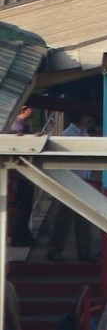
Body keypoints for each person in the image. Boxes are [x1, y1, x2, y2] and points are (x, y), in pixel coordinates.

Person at [47, 114, 96, 262]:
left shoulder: (84, 134)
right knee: (64, 219)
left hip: (83, 181)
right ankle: (54, 251)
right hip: (70, 183)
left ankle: (84, 252)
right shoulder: (68, 135)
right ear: (82, 117)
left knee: (84, 220)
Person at [9, 105, 36, 247]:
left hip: (21, 174)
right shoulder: (18, 126)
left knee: (25, 207)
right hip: (20, 174)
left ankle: (23, 234)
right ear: (24, 109)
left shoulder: (20, 124)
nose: (33, 111)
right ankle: (19, 237)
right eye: (31, 108)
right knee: (23, 207)